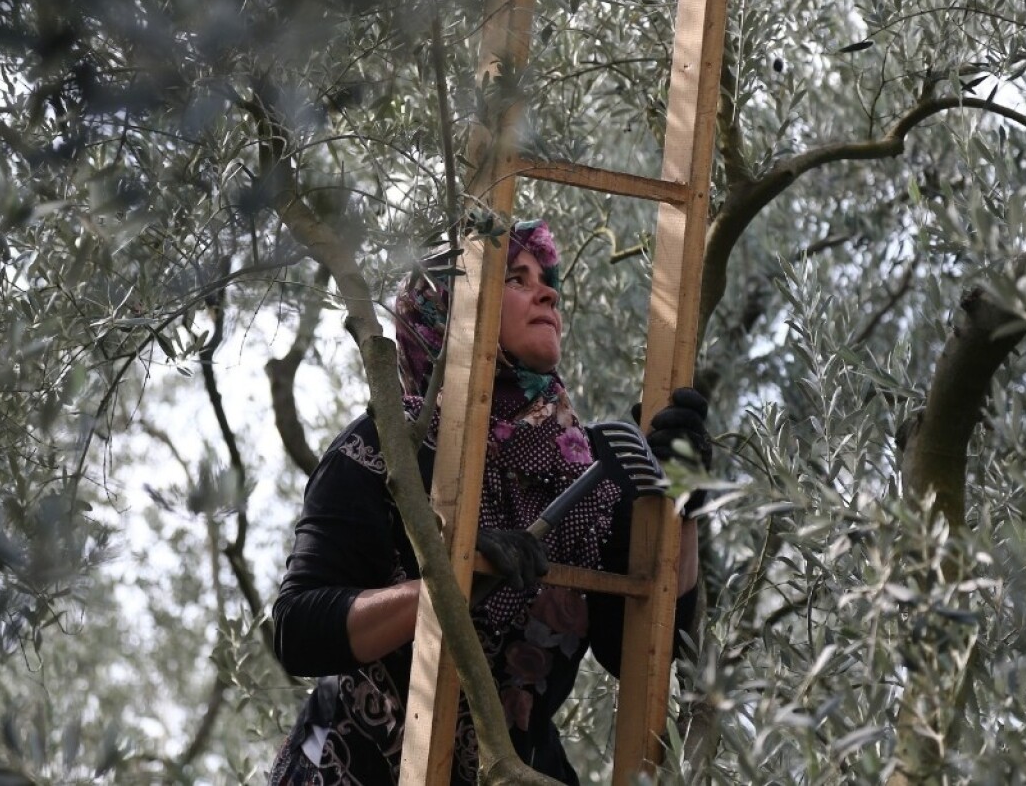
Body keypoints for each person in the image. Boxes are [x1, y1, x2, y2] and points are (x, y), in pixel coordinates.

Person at [267, 220, 711, 786]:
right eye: (516, 279)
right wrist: (449, 582)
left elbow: (644, 650)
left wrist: (686, 508)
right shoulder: (390, 443)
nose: (548, 292)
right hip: (350, 770)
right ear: (453, 312)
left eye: (545, 279)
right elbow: (299, 630)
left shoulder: (593, 469)